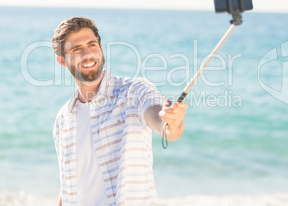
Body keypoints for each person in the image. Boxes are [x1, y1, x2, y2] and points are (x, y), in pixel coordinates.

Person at [51, 17, 188, 206]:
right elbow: (68, 186)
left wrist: (172, 121)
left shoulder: (135, 91)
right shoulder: (63, 119)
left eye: (92, 45)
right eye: (76, 49)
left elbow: (165, 126)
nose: (88, 54)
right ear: (62, 61)